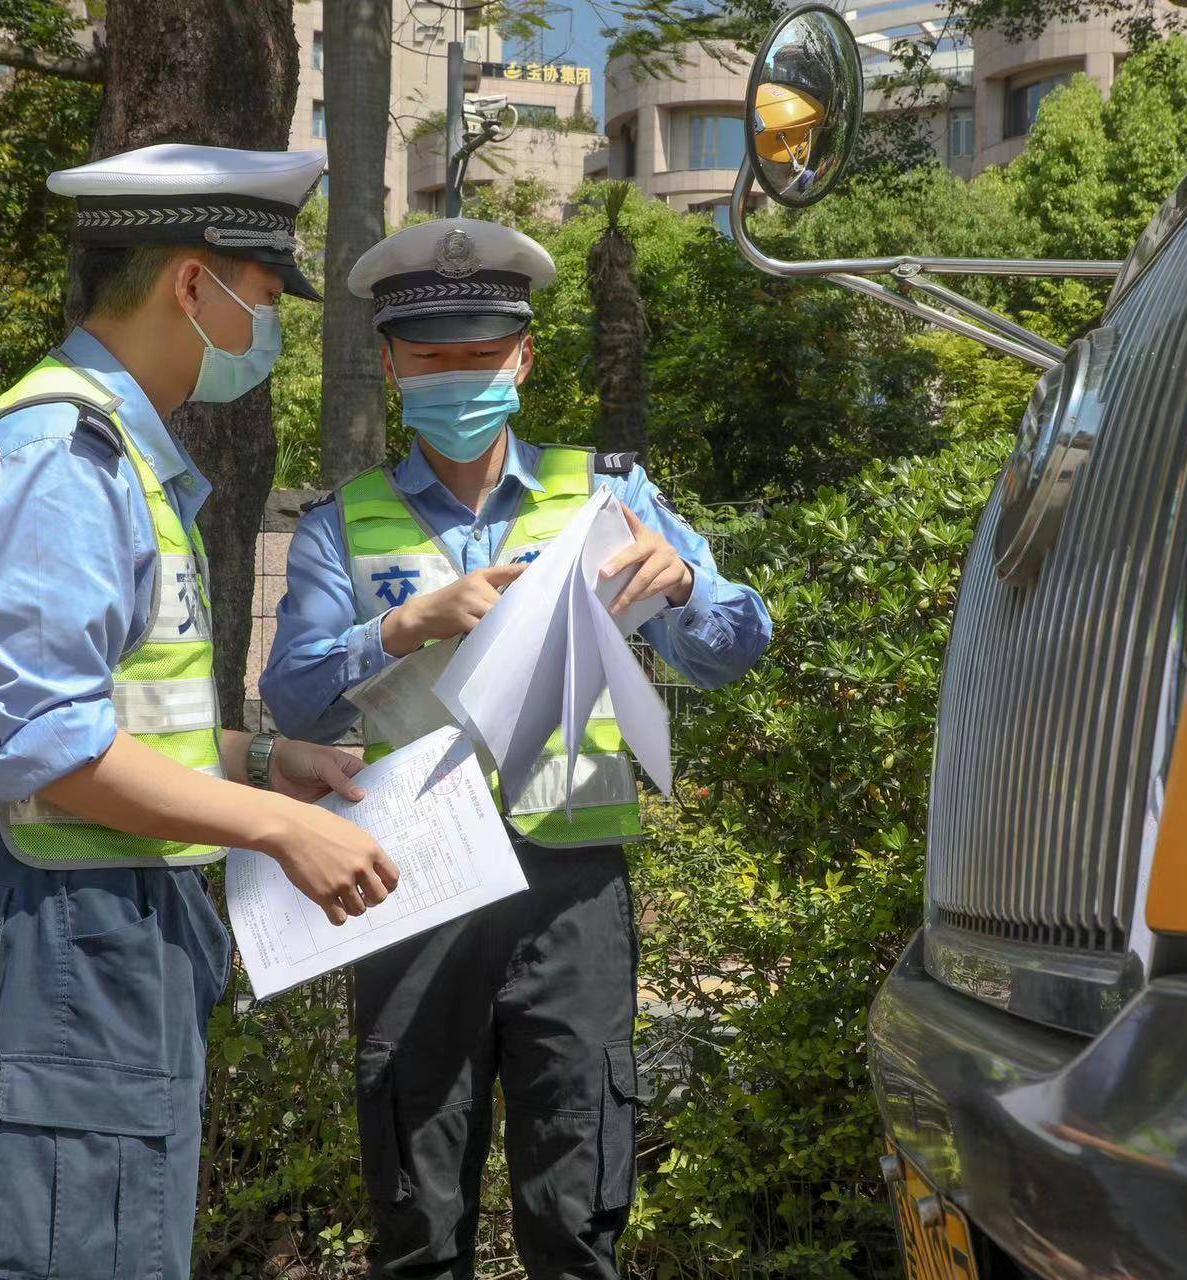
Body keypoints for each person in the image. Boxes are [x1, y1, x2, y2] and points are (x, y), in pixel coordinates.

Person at [0, 143, 401, 1280]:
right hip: (65, 928)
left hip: (98, 926)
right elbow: (44, 743)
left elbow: (114, 711)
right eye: (266, 299)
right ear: (195, 284)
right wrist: (281, 828)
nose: (266, 331)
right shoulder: (66, 453)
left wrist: (267, 762)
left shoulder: (119, 450)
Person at [260, 218, 773, 1280]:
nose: (460, 375)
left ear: (524, 359)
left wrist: (686, 584)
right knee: (417, 1212)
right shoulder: (341, 526)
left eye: (483, 354)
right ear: (395, 365)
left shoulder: (607, 495)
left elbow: (732, 648)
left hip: (570, 888)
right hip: (414, 880)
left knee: (576, 1206)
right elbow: (294, 699)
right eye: (434, 356)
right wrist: (401, 625)